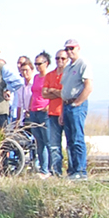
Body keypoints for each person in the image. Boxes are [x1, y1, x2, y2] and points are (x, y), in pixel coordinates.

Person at [60, 39, 94, 179]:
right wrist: (63, 110)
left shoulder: (83, 64)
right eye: (67, 49)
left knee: (77, 138)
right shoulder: (68, 67)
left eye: (71, 48)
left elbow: (88, 86)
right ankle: (73, 170)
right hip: (66, 104)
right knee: (69, 139)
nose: (69, 51)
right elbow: (64, 90)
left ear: (78, 48)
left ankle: (81, 171)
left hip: (76, 105)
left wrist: (78, 102)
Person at [42, 48, 67, 176]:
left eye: (63, 58)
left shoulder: (68, 75)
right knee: (54, 145)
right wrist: (58, 93)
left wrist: (54, 91)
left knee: (70, 143)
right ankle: (56, 171)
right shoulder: (50, 75)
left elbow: (66, 94)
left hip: (66, 112)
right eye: (57, 58)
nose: (60, 61)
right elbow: (44, 94)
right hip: (52, 114)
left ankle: (72, 171)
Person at [28, 52, 52, 175]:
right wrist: (29, 106)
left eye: (39, 64)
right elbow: (34, 93)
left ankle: (51, 169)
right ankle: (43, 169)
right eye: (35, 64)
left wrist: (48, 107)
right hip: (34, 111)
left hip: (44, 112)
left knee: (48, 140)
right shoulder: (36, 77)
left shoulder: (50, 76)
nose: (37, 66)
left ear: (46, 63)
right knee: (39, 142)